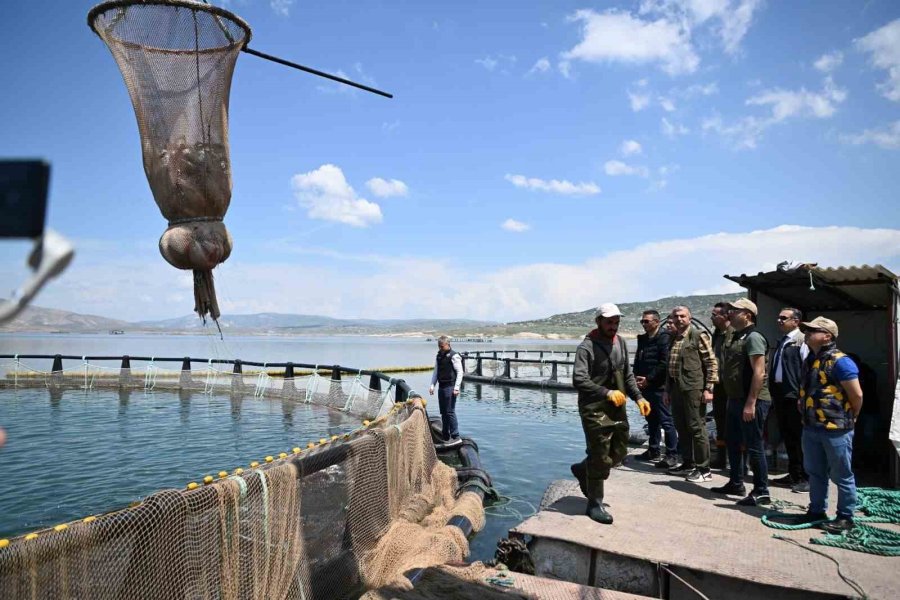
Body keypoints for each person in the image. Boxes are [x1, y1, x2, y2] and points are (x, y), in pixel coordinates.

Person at [571, 303, 651, 524]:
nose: (613, 326)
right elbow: (579, 379)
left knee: (618, 452)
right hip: (594, 408)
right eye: (609, 322)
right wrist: (605, 392)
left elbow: (627, 375)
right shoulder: (586, 347)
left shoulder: (621, 343)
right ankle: (594, 503)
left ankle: (583, 469)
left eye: (616, 322)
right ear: (598, 322)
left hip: (617, 406)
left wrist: (639, 397)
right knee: (599, 455)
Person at [796, 317, 863, 533]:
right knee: (815, 472)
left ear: (827, 336)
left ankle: (846, 517)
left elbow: (856, 395)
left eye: (813, 331)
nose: (807, 333)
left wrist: (852, 417)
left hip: (836, 430)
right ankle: (816, 510)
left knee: (842, 474)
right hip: (811, 427)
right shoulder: (810, 360)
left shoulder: (841, 361)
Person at [712, 298, 772, 506]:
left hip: (751, 400)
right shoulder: (737, 336)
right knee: (733, 442)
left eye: (735, 310)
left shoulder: (754, 337)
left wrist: (751, 402)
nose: (730, 313)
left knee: (754, 446)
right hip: (735, 399)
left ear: (747, 315)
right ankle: (736, 482)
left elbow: (759, 372)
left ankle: (761, 490)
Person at [664, 306, 718, 482]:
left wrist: (709, 388)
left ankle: (704, 469)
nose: (679, 319)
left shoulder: (697, 335)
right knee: (681, 426)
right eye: (676, 316)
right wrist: (667, 390)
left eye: (682, 316)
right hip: (677, 388)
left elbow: (711, 362)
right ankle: (688, 463)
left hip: (693, 388)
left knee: (697, 427)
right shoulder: (674, 337)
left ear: (689, 317)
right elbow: (670, 367)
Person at [769, 307, 809, 493]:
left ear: (796, 321)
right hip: (780, 394)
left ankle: (805, 477)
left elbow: (807, 370)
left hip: (795, 397)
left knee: (799, 438)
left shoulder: (801, 341)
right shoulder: (783, 342)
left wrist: (803, 395)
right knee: (788, 436)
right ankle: (794, 474)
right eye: (778, 317)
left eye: (783, 318)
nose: (779, 320)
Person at [633, 310, 677, 465]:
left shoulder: (665, 338)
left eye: (647, 321)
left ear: (657, 322)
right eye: (642, 321)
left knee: (666, 420)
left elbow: (665, 363)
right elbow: (639, 358)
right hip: (645, 386)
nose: (644, 324)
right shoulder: (643, 339)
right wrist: (636, 378)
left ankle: (672, 454)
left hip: (660, 386)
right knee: (651, 419)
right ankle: (653, 449)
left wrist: (649, 379)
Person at [709, 302, 732, 470]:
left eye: (714, 315)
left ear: (725, 316)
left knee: (735, 424)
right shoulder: (717, 334)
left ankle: (738, 462)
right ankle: (721, 458)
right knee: (720, 423)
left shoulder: (735, 334)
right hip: (719, 385)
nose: (711, 317)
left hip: (733, 387)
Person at [429, 336, 464, 443]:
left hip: (451, 386)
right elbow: (436, 372)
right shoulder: (439, 356)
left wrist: (457, 388)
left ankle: (455, 435)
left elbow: (460, 372)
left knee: (450, 412)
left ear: (447, 344)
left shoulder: (454, 356)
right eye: (439, 346)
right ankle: (445, 435)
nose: (440, 348)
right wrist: (432, 385)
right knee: (443, 412)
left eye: (442, 346)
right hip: (442, 386)